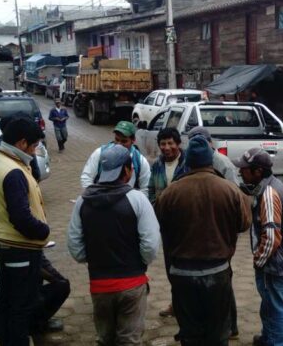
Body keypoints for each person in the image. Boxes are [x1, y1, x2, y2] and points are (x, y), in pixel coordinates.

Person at [155, 136, 251, 345]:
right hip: (217, 271)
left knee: (189, 332)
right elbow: (244, 224)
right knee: (218, 332)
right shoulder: (230, 190)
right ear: (210, 161)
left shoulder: (170, 192)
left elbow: (161, 224)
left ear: (188, 162)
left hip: (181, 273)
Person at [67, 144, 160, 345]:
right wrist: (139, 263)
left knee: (105, 339)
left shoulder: (83, 201)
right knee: (129, 340)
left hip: (99, 284)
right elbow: (151, 244)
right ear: (127, 170)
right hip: (132, 283)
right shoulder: (138, 200)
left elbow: (75, 246)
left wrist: (94, 259)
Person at [0, 116, 49, 346]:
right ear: (22, 143)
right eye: (33, 146)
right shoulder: (13, 171)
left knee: (8, 303)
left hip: (5, 244)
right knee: (21, 307)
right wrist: (43, 230)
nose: (34, 151)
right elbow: (21, 217)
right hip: (19, 249)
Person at [233, 148, 283, 346]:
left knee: (275, 308)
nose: (241, 172)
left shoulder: (268, 194)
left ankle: (278, 342)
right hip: (281, 261)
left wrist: (259, 260)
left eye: (245, 169)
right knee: (270, 304)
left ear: (258, 171)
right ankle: (268, 337)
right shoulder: (273, 185)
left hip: (274, 264)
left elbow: (272, 237)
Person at [81, 121, 151, 191]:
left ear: (133, 140)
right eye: (117, 140)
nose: (119, 144)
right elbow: (86, 177)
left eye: (124, 141)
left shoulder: (140, 161)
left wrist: (135, 201)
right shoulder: (100, 153)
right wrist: (94, 198)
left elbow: (145, 188)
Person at [147, 127, 187, 205]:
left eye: (170, 143)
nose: (167, 148)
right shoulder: (156, 165)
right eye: (163, 144)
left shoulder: (187, 164)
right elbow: (151, 189)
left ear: (178, 144)